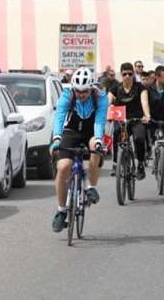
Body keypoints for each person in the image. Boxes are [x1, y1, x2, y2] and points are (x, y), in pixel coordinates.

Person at [50, 67, 108, 232]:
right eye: (78, 91)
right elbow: (60, 117)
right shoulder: (67, 95)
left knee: (94, 148)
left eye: (85, 92)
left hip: (91, 131)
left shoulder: (100, 97)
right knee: (63, 167)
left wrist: (98, 141)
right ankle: (61, 211)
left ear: (91, 88)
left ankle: (91, 187)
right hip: (71, 131)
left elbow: (100, 121)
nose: (81, 95)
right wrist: (56, 139)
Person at [108, 62, 151, 179]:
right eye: (124, 74)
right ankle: (116, 162)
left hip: (136, 119)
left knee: (139, 138)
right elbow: (108, 101)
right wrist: (108, 111)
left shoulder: (140, 87)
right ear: (121, 75)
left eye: (130, 74)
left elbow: (144, 102)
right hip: (120, 118)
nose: (127, 76)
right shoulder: (116, 87)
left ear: (133, 74)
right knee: (116, 133)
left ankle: (141, 164)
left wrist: (147, 116)